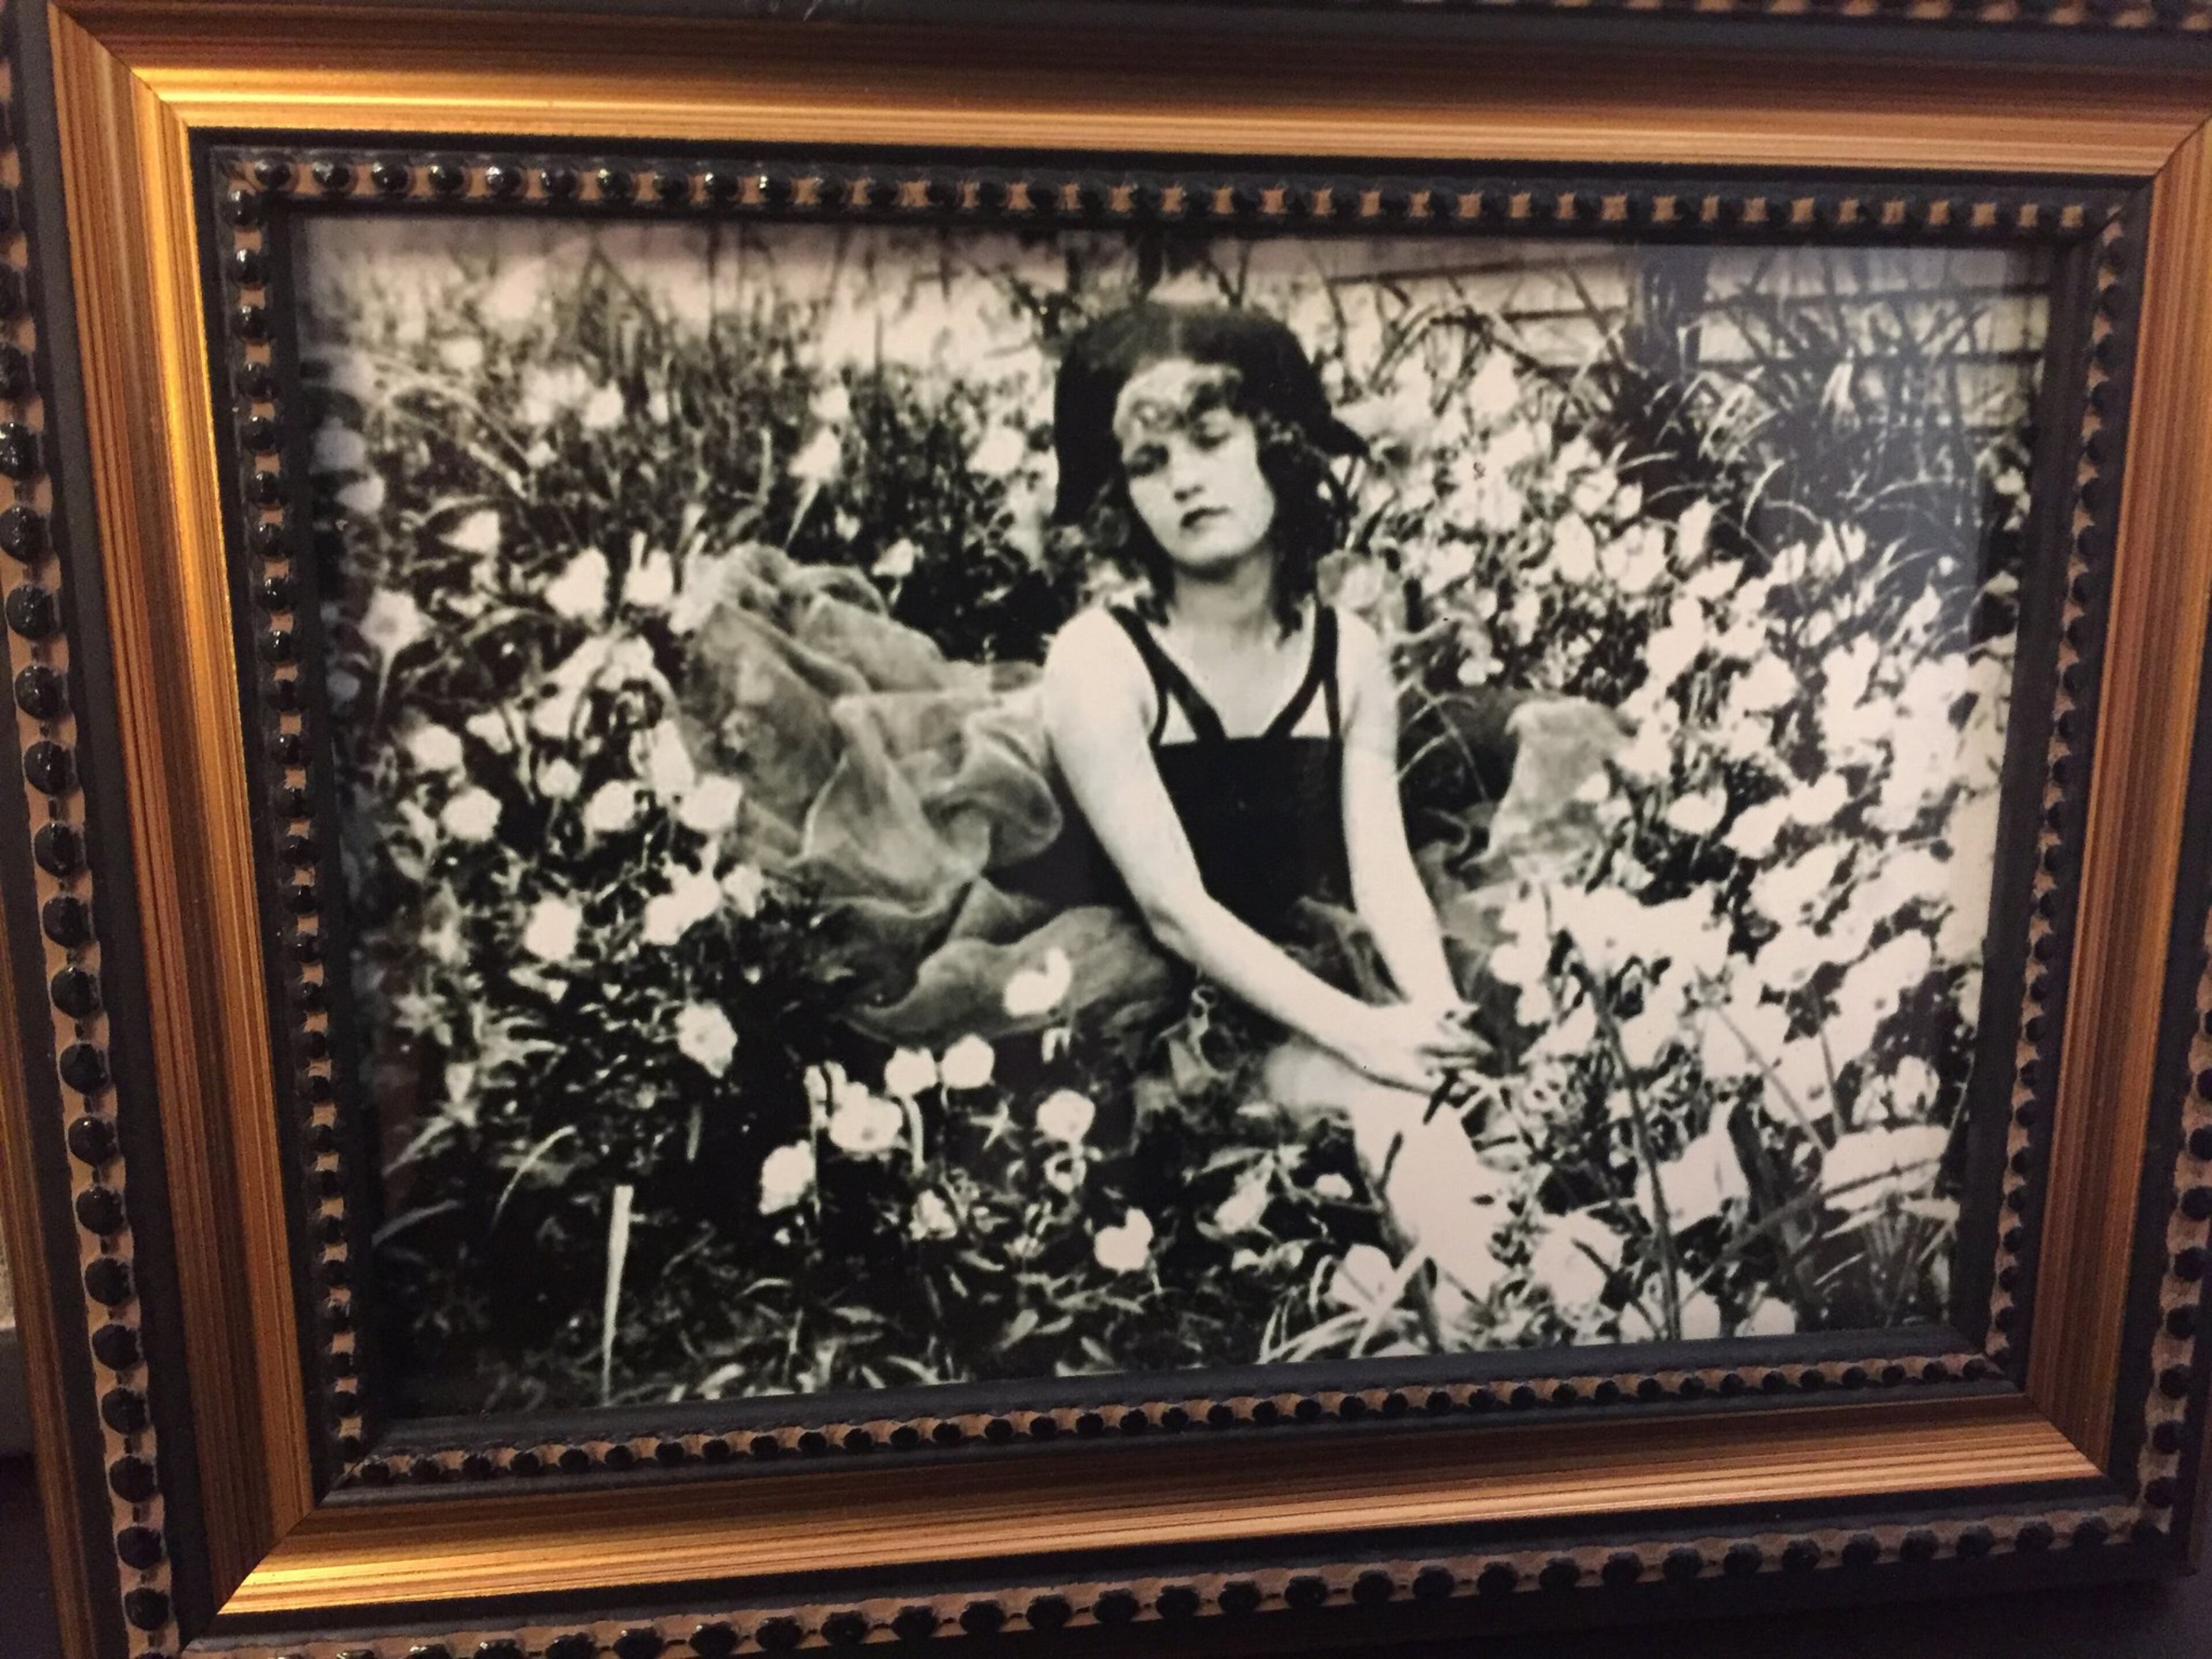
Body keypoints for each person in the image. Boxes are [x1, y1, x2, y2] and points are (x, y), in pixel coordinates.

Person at [1029, 303, 1517, 1308]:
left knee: (1457, 1085)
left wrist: (1437, 1020)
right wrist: (1366, 1034)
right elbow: (1174, 910)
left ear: (1279, 448)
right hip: (1169, 994)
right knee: (1385, 1096)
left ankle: (1543, 1289)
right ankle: (1505, 1329)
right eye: (1150, 462)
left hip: (1311, 955)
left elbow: (1381, 869)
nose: (1185, 481)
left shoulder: (1350, 653)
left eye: (1211, 441)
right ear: (1123, 497)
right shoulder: (1101, 662)